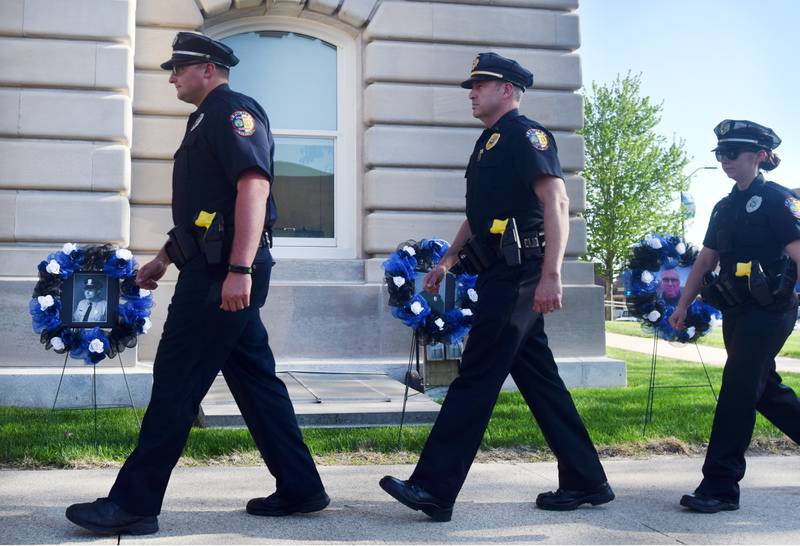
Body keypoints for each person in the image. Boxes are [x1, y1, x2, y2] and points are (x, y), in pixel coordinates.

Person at [65, 32, 328, 536]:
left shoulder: (233, 112)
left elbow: (254, 186)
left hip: (221, 274)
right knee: (256, 383)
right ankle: (301, 487)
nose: (172, 77)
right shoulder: (203, 119)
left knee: (176, 381)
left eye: (179, 68)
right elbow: (206, 213)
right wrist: (163, 259)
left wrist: (240, 269)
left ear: (208, 68)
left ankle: (134, 505)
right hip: (210, 266)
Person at [379, 52, 614, 522]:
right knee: (540, 381)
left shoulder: (527, 135)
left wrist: (552, 274)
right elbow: (479, 214)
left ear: (506, 89)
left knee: (476, 375)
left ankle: (433, 487)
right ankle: (587, 480)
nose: (470, 92)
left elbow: (558, 201)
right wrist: (447, 258)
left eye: (479, 85)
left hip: (522, 274)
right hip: (497, 274)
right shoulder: (489, 142)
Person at [669, 119, 800, 513]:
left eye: (733, 153)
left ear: (759, 156)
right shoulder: (724, 207)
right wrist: (682, 304)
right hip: (738, 311)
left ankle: (720, 486)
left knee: (737, 389)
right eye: (720, 154)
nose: (725, 160)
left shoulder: (779, 201)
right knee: (764, 389)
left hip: (772, 310)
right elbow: (706, 259)